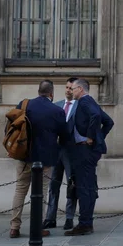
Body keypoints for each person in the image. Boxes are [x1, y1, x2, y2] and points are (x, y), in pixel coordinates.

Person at [9, 80, 68, 239]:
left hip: (24, 155)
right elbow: (64, 135)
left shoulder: (24, 104)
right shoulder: (57, 111)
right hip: (45, 159)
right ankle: (37, 227)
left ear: (38, 91)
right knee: (41, 193)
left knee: (20, 190)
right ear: (52, 93)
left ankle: (14, 227)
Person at [64, 78, 114, 236]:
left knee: (84, 186)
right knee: (88, 185)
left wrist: (92, 137)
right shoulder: (90, 102)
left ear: (80, 89)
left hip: (85, 150)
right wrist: (99, 137)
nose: (71, 92)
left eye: (73, 89)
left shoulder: (85, 102)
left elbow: (97, 117)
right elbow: (108, 122)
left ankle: (85, 224)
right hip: (87, 150)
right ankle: (86, 222)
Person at [42, 77, 79, 231]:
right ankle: (50, 217)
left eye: (71, 88)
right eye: (66, 88)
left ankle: (69, 217)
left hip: (71, 151)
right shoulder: (56, 105)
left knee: (71, 184)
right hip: (56, 150)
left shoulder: (80, 106)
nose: (68, 91)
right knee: (53, 184)